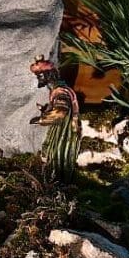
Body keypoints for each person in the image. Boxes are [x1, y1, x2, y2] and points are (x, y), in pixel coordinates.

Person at [29, 55, 80, 183]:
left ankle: (58, 181)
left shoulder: (60, 91)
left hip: (63, 130)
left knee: (57, 154)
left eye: (40, 75)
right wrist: (45, 109)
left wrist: (42, 119)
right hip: (60, 127)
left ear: (49, 75)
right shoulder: (58, 89)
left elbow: (60, 112)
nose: (39, 78)